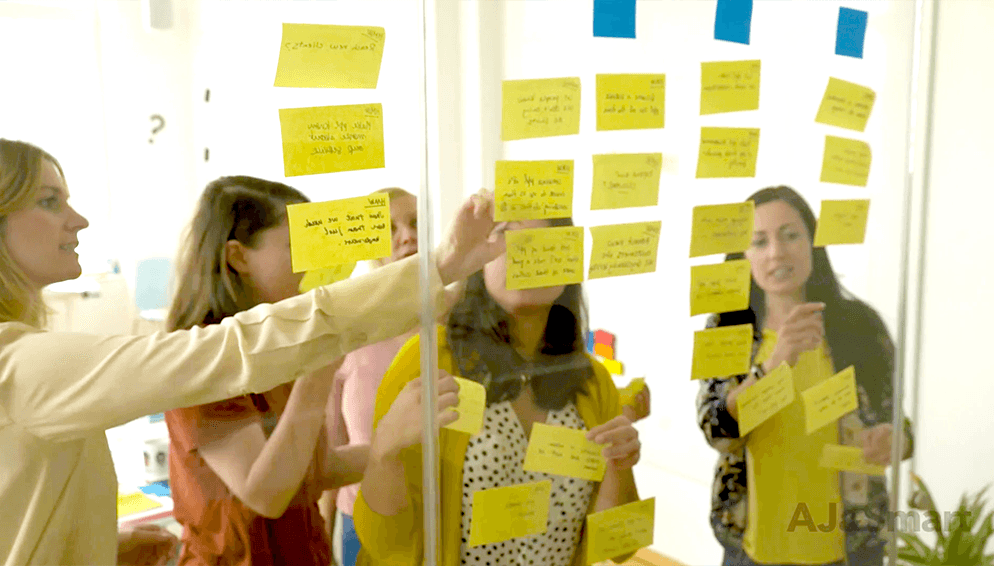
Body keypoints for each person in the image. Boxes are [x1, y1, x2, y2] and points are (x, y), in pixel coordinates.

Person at [0, 138, 503, 566]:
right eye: (48, 201)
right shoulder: (22, 364)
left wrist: (100, 546)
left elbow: (315, 468)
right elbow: (264, 477)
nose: (79, 220)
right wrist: (436, 269)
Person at [354, 217, 642, 566]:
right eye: (506, 235)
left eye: (547, 239)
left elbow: (619, 547)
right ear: (480, 259)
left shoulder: (590, 379)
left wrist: (620, 466)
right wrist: (384, 451)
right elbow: (386, 545)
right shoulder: (432, 360)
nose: (527, 252)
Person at [696, 186, 914, 566]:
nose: (776, 252)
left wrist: (897, 441)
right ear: (743, 255)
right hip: (752, 544)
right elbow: (716, 431)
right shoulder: (725, 329)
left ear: (813, 241)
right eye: (759, 242)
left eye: (790, 234)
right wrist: (772, 367)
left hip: (851, 546)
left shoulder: (860, 325)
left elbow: (897, 423)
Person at [164, 176, 371, 565]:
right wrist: (319, 371)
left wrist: (408, 441)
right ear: (238, 257)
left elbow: (314, 470)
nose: (316, 262)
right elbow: (266, 494)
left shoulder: (276, 343)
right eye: (299, 247)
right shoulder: (204, 359)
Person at [324, 187, 421, 566]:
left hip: (444, 513)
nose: (407, 235)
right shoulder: (348, 334)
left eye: (415, 223)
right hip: (362, 523)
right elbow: (330, 452)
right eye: (390, 228)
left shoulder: (456, 325)